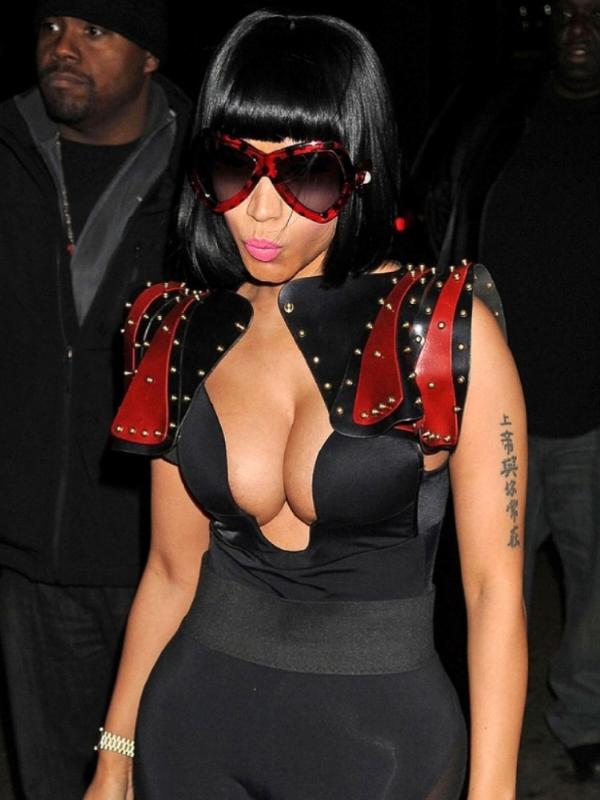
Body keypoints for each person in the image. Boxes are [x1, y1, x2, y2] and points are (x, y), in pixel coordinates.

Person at [85, 11, 527, 800]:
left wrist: (493, 792)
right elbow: (171, 571)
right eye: (233, 167)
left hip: (384, 749)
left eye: (306, 174)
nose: (260, 211)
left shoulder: (440, 329)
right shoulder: (176, 329)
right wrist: (115, 756)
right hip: (191, 732)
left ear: (360, 175)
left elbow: (495, 591)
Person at [0, 1, 190, 798]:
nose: (63, 48)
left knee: (172, 775)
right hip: (28, 556)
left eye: (95, 30)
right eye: (51, 26)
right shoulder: (8, 151)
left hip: (170, 555)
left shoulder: (209, 175)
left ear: (149, 55)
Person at [425, 0, 600, 782]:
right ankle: (478, 735)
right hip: (496, 413)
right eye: (568, 11)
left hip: (594, 414)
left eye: (595, 12)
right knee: (489, 588)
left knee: (595, 592)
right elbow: (443, 212)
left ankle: (586, 719)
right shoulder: (498, 115)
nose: (580, 27)